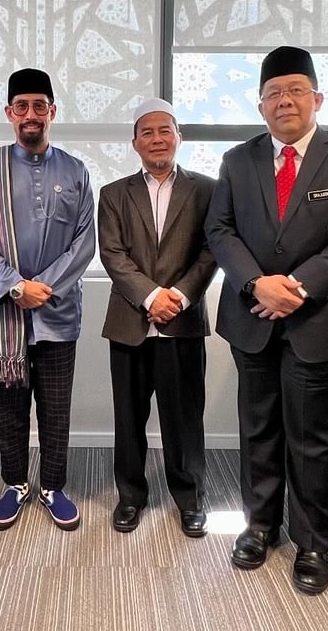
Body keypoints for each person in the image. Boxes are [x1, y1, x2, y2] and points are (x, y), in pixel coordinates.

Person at [205, 46, 328, 594]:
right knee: (258, 428)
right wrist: (255, 283)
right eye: (274, 94)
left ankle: (313, 541)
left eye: (296, 91)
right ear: (260, 105)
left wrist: (298, 287)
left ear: (317, 98)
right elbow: (220, 230)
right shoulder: (238, 160)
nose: (285, 101)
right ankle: (260, 525)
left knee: (314, 437)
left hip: (321, 318)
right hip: (253, 315)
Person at [0, 67, 95, 532]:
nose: (31, 114)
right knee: (10, 409)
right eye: (21, 106)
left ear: (52, 111)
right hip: (5, 312)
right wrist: (16, 287)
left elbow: (84, 243)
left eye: (40, 105)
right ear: (9, 113)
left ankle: (53, 486)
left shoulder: (75, 170)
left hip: (57, 314)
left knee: (56, 409)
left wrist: (44, 288)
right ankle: (15, 484)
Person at [98, 98, 216, 537]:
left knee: (184, 418)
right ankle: (130, 496)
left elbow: (211, 251)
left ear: (178, 137)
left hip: (183, 323)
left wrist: (179, 297)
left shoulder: (207, 190)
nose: (157, 139)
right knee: (128, 417)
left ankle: (189, 498)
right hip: (129, 321)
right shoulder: (113, 194)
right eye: (147, 132)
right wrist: (150, 297)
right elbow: (112, 253)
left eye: (165, 130)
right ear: (135, 143)